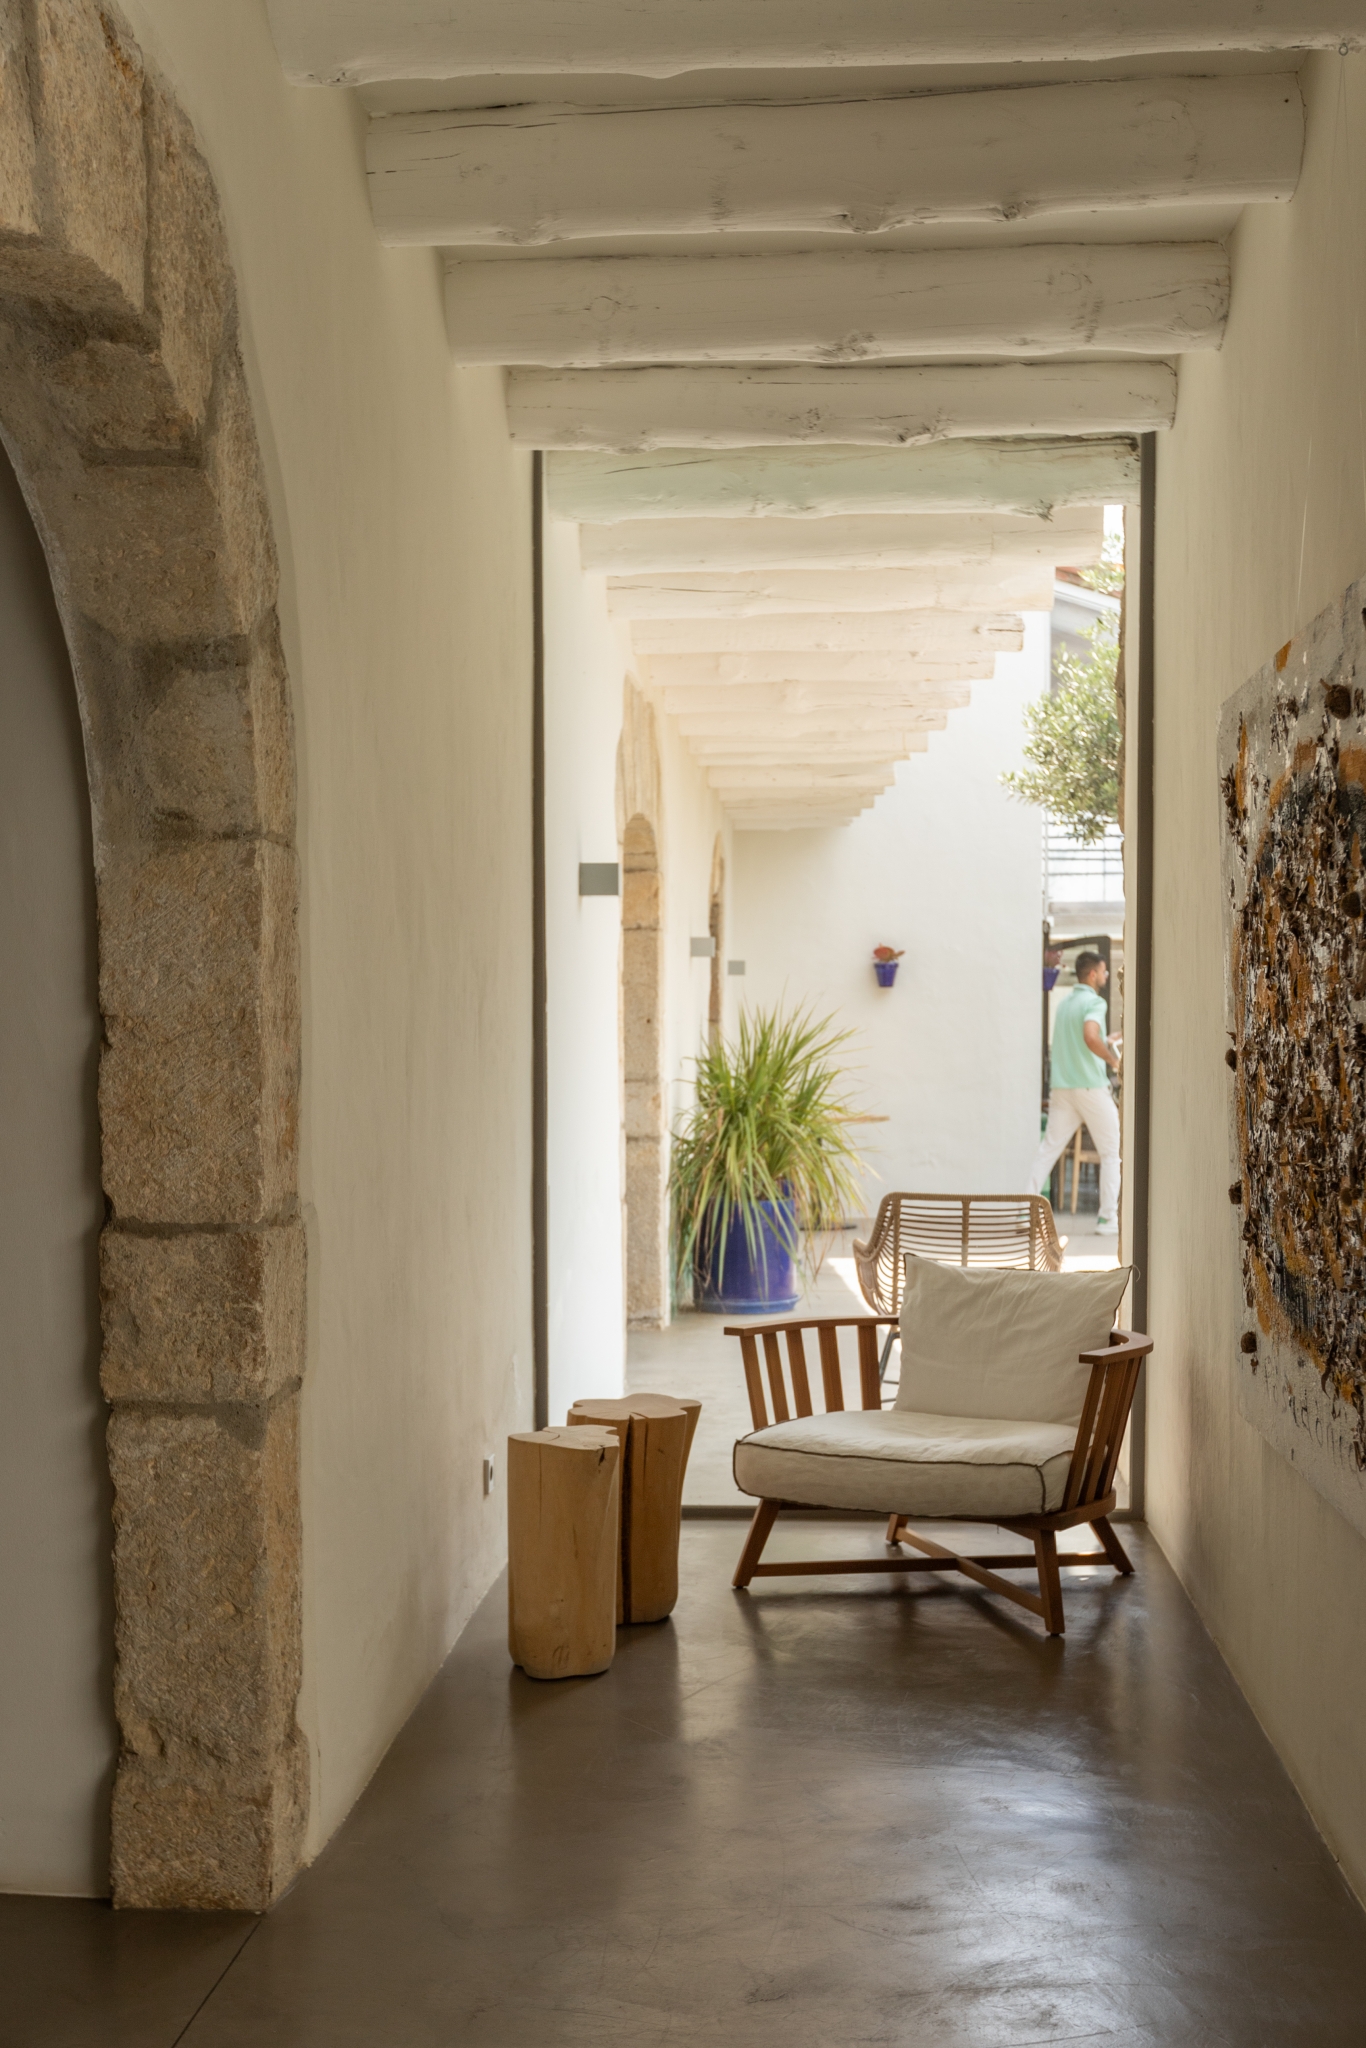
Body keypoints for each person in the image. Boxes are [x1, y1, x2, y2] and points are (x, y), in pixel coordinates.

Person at [1027, 950, 1121, 1235]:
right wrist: (1114, 1060)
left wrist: (1109, 1040)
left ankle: (1023, 1213)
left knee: (1047, 1151)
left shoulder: (1065, 1004)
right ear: (1093, 974)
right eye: (1104, 972)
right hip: (1090, 1087)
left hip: (1062, 1089)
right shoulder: (1095, 1002)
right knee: (1111, 1151)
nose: (1105, 976)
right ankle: (1107, 1219)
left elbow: (1086, 1040)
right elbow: (1089, 1036)